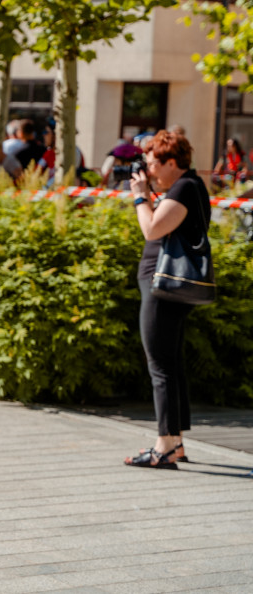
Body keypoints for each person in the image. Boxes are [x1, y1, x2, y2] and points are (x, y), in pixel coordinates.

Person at [124, 130, 210, 470]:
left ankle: (163, 446)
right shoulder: (186, 186)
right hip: (164, 285)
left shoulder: (186, 187)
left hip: (163, 288)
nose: (148, 170)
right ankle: (174, 443)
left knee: (159, 364)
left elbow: (152, 229)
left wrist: (140, 197)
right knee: (170, 364)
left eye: (152, 163)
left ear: (171, 162)